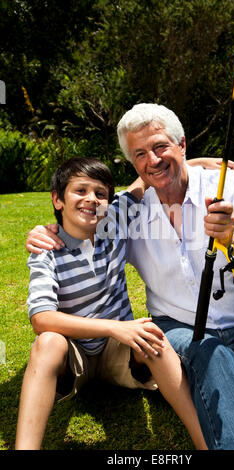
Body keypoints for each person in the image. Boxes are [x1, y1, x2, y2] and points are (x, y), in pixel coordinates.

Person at [25, 104, 234, 450]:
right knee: (216, 363)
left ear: (182, 144)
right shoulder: (127, 214)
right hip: (179, 329)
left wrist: (232, 239)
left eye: (160, 147)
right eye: (140, 154)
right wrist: (48, 231)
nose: (152, 159)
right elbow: (87, 217)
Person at [16, 156, 208, 450]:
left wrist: (194, 160)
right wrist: (113, 328)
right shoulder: (47, 251)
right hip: (74, 354)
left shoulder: (114, 222)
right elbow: (41, 319)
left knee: (152, 334)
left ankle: (205, 442)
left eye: (100, 193)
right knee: (47, 343)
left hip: (119, 355)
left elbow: (148, 176)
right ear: (57, 199)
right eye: (80, 191)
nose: (91, 199)